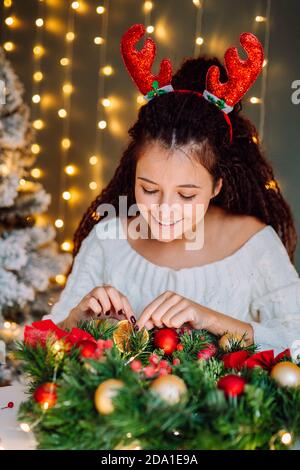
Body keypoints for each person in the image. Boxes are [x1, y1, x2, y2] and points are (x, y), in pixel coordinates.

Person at [43, 25, 300, 354]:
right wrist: (77, 317)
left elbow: (294, 342)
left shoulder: (253, 243)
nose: (164, 209)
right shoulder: (109, 240)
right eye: (149, 189)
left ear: (216, 185)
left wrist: (210, 318)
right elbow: (42, 344)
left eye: (187, 194)